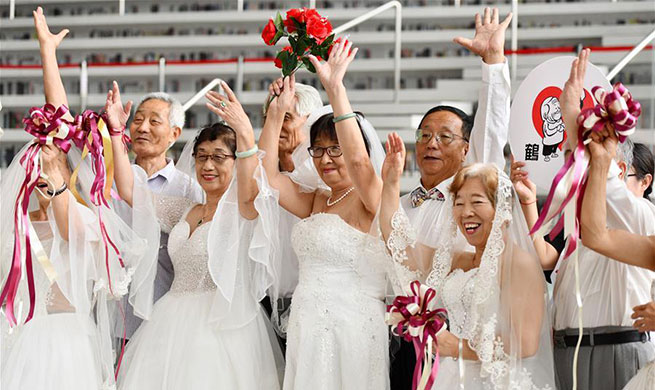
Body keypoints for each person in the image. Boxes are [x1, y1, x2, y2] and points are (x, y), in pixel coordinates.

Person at [1, 8, 144, 389]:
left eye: (49, 170)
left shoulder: (84, 219)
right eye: (36, 175)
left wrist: (49, 55)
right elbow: (55, 124)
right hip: (27, 341)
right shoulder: (16, 225)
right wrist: (46, 53)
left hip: (69, 345)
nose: (41, 180)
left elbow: (58, 130)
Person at [107, 80, 283, 389]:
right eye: (201, 156)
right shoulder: (186, 209)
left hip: (223, 326)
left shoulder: (244, 210)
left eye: (218, 157)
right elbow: (129, 190)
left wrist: (244, 129)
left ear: (236, 161)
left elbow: (253, 180)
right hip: (170, 321)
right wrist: (115, 133)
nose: (207, 165)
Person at [388, 9, 514, 385]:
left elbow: (491, 133)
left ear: (465, 149)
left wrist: (493, 63)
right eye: (424, 135)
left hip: (449, 341)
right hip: (393, 340)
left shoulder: (469, 196)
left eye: (445, 137)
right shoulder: (401, 202)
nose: (431, 144)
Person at [258, 39, 389, 389]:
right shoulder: (317, 200)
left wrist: (335, 89)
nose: (326, 158)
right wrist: (276, 113)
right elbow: (268, 178)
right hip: (308, 322)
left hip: (353, 323)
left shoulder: (371, 198)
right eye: (318, 150)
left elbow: (360, 161)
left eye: (336, 149)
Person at [379, 140, 556, 389]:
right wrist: (390, 185)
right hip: (453, 376)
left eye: (477, 202)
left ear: (501, 209)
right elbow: (399, 246)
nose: (466, 212)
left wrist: (456, 346)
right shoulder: (459, 260)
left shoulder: (520, 263)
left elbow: (525, 344)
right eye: (459, 203)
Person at [552, 49, 655, 390]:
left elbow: (609, 193)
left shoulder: (641, 214)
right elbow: (595, 233)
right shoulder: (580, 223)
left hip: (619, 353)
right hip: (571, 353)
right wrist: (573, 125)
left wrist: (589, 140)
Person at [260, 78, 322, 346]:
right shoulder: (258, 170)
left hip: (312, 300)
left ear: (310, 121)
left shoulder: (322, 175)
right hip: (262, 299)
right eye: (271, 116)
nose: (277, 125)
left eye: (286, 117)